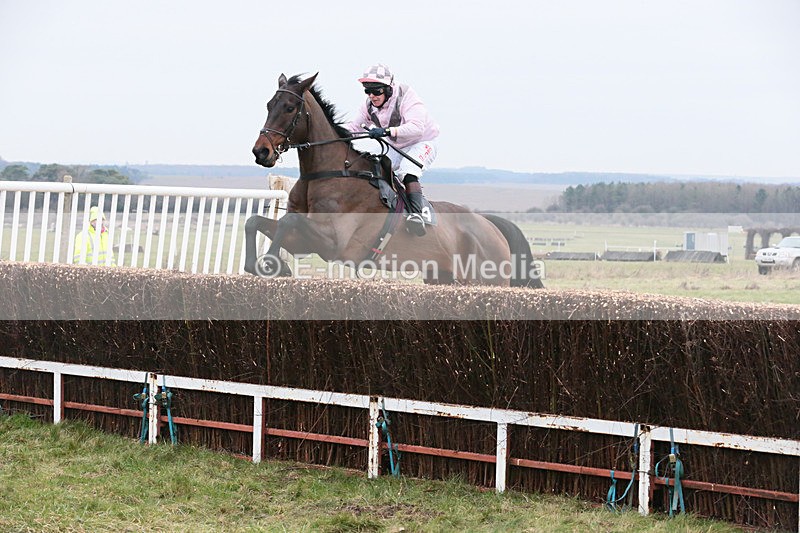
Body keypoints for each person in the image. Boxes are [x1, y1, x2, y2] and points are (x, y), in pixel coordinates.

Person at [347, 63, 440, 236]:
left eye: (376, 91)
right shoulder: (369, 105)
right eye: (367, 91)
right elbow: (354, 127)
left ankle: (416, 214)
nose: (372, 96)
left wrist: (386, 131)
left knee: (407, 171)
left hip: (423, 142)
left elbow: (416, 128)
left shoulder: (406, 96)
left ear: (388, 89)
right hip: (397, 146)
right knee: (379, 170)